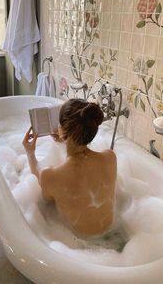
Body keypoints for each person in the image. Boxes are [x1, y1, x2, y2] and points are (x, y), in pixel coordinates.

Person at [22, 98, 117, 237]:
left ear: (61, 129)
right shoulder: (110, 157)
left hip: (79, 243)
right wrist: (65, 140)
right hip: (112, 232)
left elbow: (46, 197)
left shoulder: (50, 175)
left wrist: (30, 153)